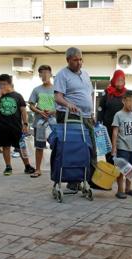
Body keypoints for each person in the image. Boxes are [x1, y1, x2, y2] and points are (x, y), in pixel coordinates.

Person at [54, 47, 96, 190]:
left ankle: (90, 177)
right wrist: (68, 104)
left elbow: (89, 95)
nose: (79, 63)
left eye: (80, 59)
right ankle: (73, 180)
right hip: (70, 116)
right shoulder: (62, 75)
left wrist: (92, 112)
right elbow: (58, 97)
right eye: (75, 60)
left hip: (86, 116)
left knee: (91, 148)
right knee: (75, 149)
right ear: (68, 60)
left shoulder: (85, 74)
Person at [0, 74, 35, 176]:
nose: (2, 87)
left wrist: (25, 124)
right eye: (0, 84)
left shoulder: (18, 96)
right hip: (2, 126)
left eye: (4, 84)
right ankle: (8, 166)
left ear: (10, 84)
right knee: (5, 146)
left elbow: (23, 111)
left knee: (21, 146)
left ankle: (27, 166)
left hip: (16, 126)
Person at [111, 90, 132, 199]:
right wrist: (114, 148)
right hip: (122, 147)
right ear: (124, 101)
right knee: (122, 169)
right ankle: (120, 190)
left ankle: (128, 189)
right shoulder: (118, 115)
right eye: (130, 101)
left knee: (131, 169)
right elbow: (115, 132)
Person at [28, 64, 55, 178]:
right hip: (40, 123)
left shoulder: (57, 89)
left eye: (46, 73)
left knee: (56, 145)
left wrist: (53, 111)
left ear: (50, 74)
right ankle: (38, 169)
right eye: (41, 73)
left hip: (54, 122)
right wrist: (39, 112)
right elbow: (31, 105)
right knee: (39, 146)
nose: (44, 75)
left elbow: (61, 107)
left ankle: (55, 168)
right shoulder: (36, 89)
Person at [97, 69, 127, 163]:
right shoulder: (107, 93)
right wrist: (99, 122)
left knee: (122, 151)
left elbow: (131, 109)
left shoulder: (127, 94)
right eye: (118, 80)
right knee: (109, 151)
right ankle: (110, 173)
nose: (120, 82)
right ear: (113, 80)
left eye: (122, 80)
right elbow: (100, 108)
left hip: (122, 128)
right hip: (108, 127)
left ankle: (119, 175)